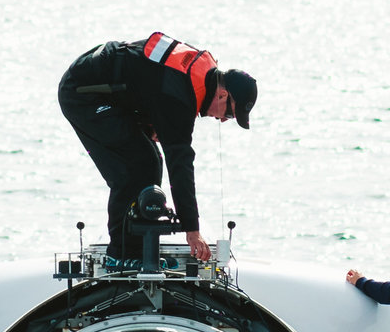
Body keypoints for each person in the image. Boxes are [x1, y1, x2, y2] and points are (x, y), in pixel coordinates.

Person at [58, 33, 257, 262]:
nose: (223, 120)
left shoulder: (202, 74)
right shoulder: (182, 95)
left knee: (151, 161)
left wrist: (150, 122)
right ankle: (122, 254)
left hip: (110, 89)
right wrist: (192, 230)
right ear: (223, 94)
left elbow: (149, 79)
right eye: (230, 113)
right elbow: (180, 164)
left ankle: (138, 249)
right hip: (82, 93)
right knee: (136, 165)